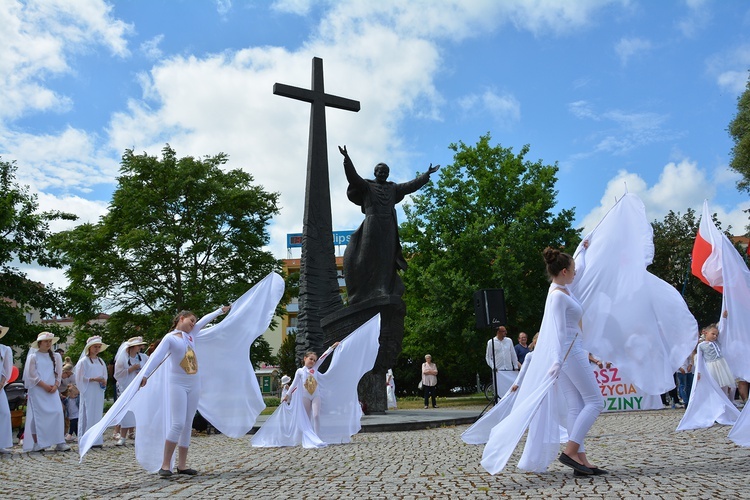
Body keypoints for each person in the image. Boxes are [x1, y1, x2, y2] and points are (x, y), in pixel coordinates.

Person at [251, 315, 381, 449]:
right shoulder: (300, 371)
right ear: (305, 359)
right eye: (310, 359)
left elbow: (324, 357)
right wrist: (287, 395)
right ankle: (306, 437)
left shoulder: (316, 368)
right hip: (305, 396)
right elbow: (295, 385)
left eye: (314, 360)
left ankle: (317, 436)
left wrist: (332, 347)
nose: (312, 361)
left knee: (316, 415)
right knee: (306, 418)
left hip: (315, 395)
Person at [338, 145, 439, 304]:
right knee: (368, 256)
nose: (383, 174)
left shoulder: (393, 188)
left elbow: (410, 186)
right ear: (375, 173)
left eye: (385, 172)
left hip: (389, 226)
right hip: (372, 224)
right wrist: (347, 160)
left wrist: (426, 175)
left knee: (386, 258)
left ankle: (384, 288)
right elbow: (353, 177)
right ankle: (365, 290)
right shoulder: (367, 186)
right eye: (380, 171)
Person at [140, 306, 230, 477]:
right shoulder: (170, 338)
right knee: (178, 423)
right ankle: (165, 465)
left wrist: (219, 311)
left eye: (194, 322)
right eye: (191, 321)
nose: (193, 324)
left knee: (188, 423)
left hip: (194, 382)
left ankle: (182, 465)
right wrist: (145, 375)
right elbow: (157, 356)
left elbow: (204, 321)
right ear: (181, 318)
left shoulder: (191, 335)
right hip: (178, 384)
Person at [22, 332, 71, 452]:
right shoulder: (33, 357)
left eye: (50, 341)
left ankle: (59, 441)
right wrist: (44, 385)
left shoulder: (56, 356)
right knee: (38, 415)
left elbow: (59, 374)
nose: (48, 343)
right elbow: (31, 375)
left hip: (52, 389)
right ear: (40, 343)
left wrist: (55, 386)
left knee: (58, 412)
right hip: (38, 389)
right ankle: (38, 442)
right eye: (46, 341)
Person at [114, 336, 149, 445]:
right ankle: (123, 436)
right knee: (127, 412)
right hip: (127, 387)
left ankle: (139, 435)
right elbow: (117, 374)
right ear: (132, 347)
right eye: (138, 346)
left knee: (140, 412)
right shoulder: (123, 358)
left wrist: (144, 376)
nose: (140, 347)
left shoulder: (143, 357)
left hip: (140, 388)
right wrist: (131, 369)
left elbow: (149, 369)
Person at [75, 335, 108, 448]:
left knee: (97, 413)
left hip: (98, 390)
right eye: (95, 346)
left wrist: (103, 381)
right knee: (87, 413)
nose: (97, 349)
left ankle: (97, 439)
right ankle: (86, 438)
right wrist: (93, 379)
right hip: (88, 389)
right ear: (89, 347)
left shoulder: (101, 361)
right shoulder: (84, 361)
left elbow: (105, 374)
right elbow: (79, 377)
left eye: (98, 347)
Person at [0, 324, 13, 453]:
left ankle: (1, 443)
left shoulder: (4, 349)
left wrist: (2, 382)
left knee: (4, 413)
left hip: (0, 386)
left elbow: (6, 369)